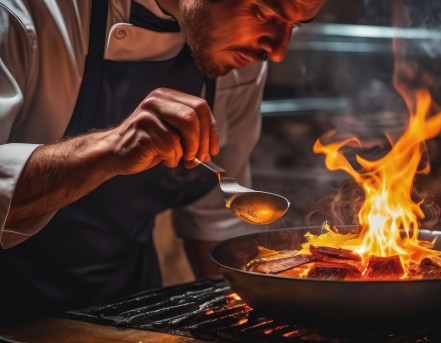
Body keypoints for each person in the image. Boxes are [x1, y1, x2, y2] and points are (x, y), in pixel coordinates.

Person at [0, 0, 324, 325]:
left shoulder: (242, 59)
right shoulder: (22, 16)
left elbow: (215, 219)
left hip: (128, 309)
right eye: (265, 13)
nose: (279, 51)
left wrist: (254, 321)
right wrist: (109, 148)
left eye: (294, 26)